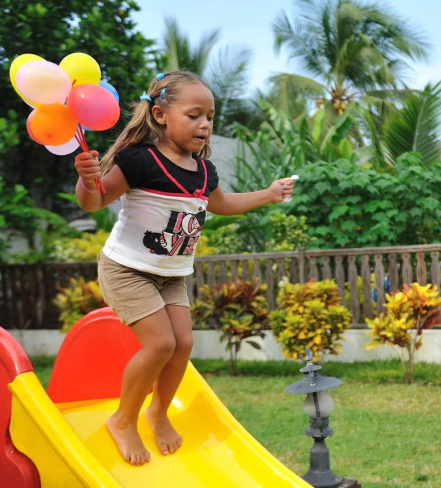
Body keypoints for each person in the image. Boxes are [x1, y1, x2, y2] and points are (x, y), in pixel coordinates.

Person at [73, 70, 295, 466]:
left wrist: (268, 194)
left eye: (209, 117)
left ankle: (157, 412)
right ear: (160, 115)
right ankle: (123, 420)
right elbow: (94, 202)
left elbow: (222, 204)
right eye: (194, 115)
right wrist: (87, 181)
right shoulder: (139, 161)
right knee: (161, 344)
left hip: (172, 274)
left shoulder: (204, 171)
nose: (205, 124)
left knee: (183, 344)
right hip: (127, 269)